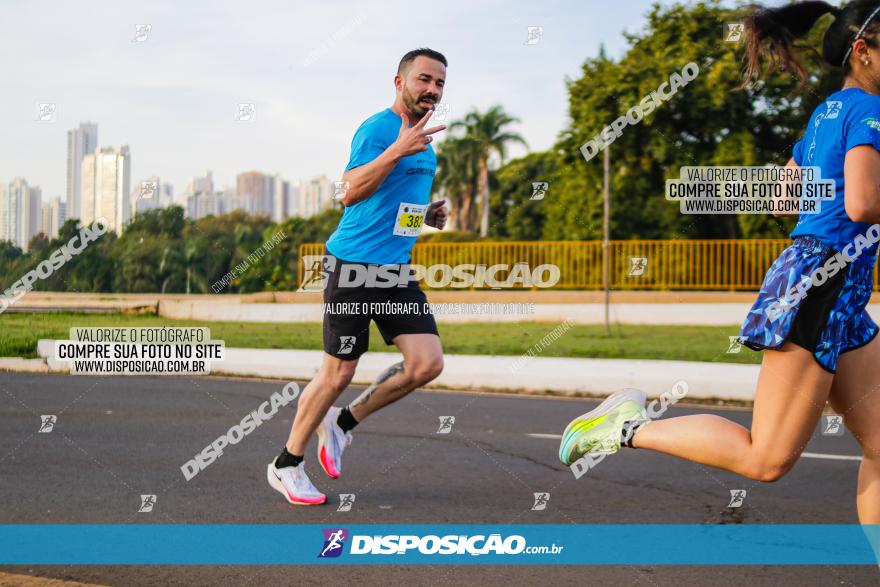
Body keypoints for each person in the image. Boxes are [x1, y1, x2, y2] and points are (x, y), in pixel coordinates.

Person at [559, 0, 880, 527]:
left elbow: (784, 196)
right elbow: (862, 205)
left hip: (835, 289)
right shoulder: (870, 111)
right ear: (862, 52)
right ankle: (625, 427)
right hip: (821, 286)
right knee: (766, 458)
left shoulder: (827, 114)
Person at [267, 48, 449, 505]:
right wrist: (396, 149)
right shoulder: (378, 129)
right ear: (400, 82)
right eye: (424, 79)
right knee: (337, 374)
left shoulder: (427, 140)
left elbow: (389, 205)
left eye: (440, 83)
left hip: (395, 271)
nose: (432, 89)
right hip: (352, 267)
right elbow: (348, 193)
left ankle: (342, 423)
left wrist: (426, 214)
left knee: (427, 364)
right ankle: (286, 465)